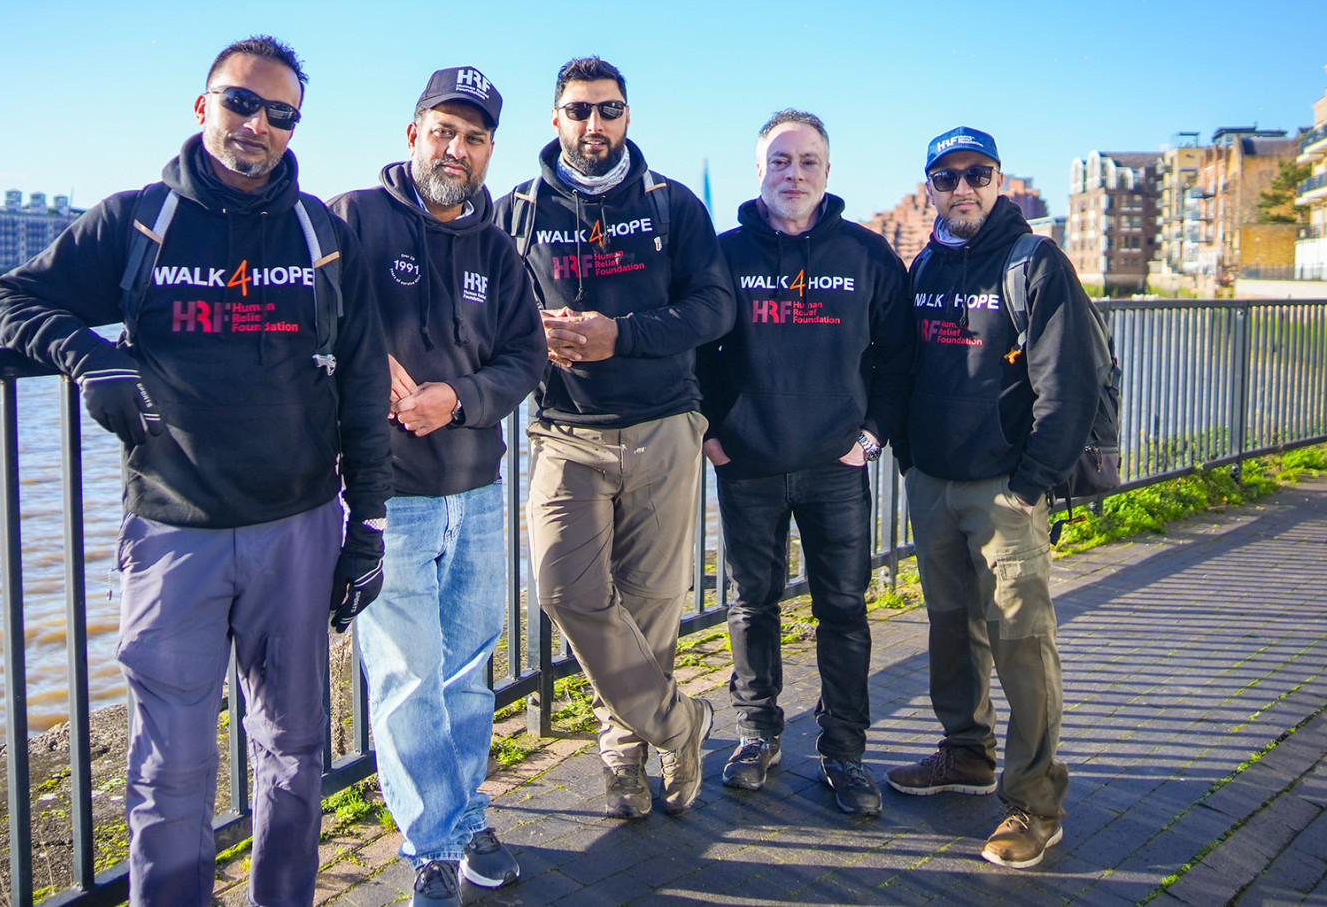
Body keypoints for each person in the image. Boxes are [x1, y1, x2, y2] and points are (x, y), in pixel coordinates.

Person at [0, 36, 392, 907]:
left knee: (294, 750)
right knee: (170, 766)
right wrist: (90, 358)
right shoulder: (136, 221)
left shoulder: (323, 233)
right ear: (203, 107)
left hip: (299, 526)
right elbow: (6, 300)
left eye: (280, 114)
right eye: (242, 102)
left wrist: (370, 527)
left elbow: (361, 383)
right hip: (173, 532)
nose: (258, 125)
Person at [493, 55, 733, 819]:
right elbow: (488, 318)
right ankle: (679, 722)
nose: (593, 123)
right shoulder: (517, 211)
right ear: (554, 118)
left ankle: (623, 757)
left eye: (609, 109)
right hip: (566, 434)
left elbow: (716, 308)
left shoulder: (673, 205)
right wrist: (535, 333)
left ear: (629, 116)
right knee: (565, 591)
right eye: (578, 110)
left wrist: (617, 335)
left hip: (664, 426)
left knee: (652, 604)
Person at [327, 66, 545, 907]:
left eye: (475, 136)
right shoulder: (354, 217)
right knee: (406, 676)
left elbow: (524, 356)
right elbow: (305, 314)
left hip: (478, 488)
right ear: (413, 133)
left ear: (490, 149)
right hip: (388, 496)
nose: (457, 149)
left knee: (467, 670)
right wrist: (359, 361)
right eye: (444, 131)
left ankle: (466, 818)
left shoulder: (498, 244)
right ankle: (432, 842)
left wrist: (459, 398)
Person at [889, 126, 1101, 869]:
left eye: (977, 174)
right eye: (947, 178)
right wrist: (912, 458)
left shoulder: (1033, 261)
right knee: (953, 629)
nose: (963, 189)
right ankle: (966, 753)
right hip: (934, 483)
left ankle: (1035, 803)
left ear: (1000, 181)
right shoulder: (923, 267)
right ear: (931, 190)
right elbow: (904, 366)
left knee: (1021, 640)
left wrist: (1030, 485)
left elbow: (1067, 383)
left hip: (1005, 492)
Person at [697, 110, 915, 816]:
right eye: (781, 161)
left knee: (844, 611)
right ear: (759, 169)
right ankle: (757, 734)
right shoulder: (722, 255)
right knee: (750, 606)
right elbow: (693, 352)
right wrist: (711, 433)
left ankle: (844, 752)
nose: (794, 174)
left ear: (828, 171)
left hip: (836, 466)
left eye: (808, 162)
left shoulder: (867, 255)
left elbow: (898, 358)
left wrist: (873, 436)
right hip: (749, 465)